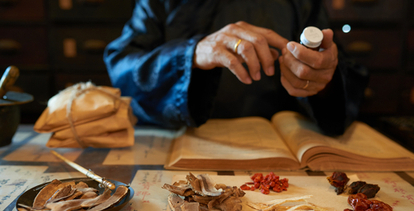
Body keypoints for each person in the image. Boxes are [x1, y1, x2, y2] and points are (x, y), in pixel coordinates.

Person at [104, 0, 369, 136]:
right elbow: (122, 65)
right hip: (179, 139)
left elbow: (335, 69)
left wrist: (322, 77)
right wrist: (191, 54)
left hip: (281, 145)